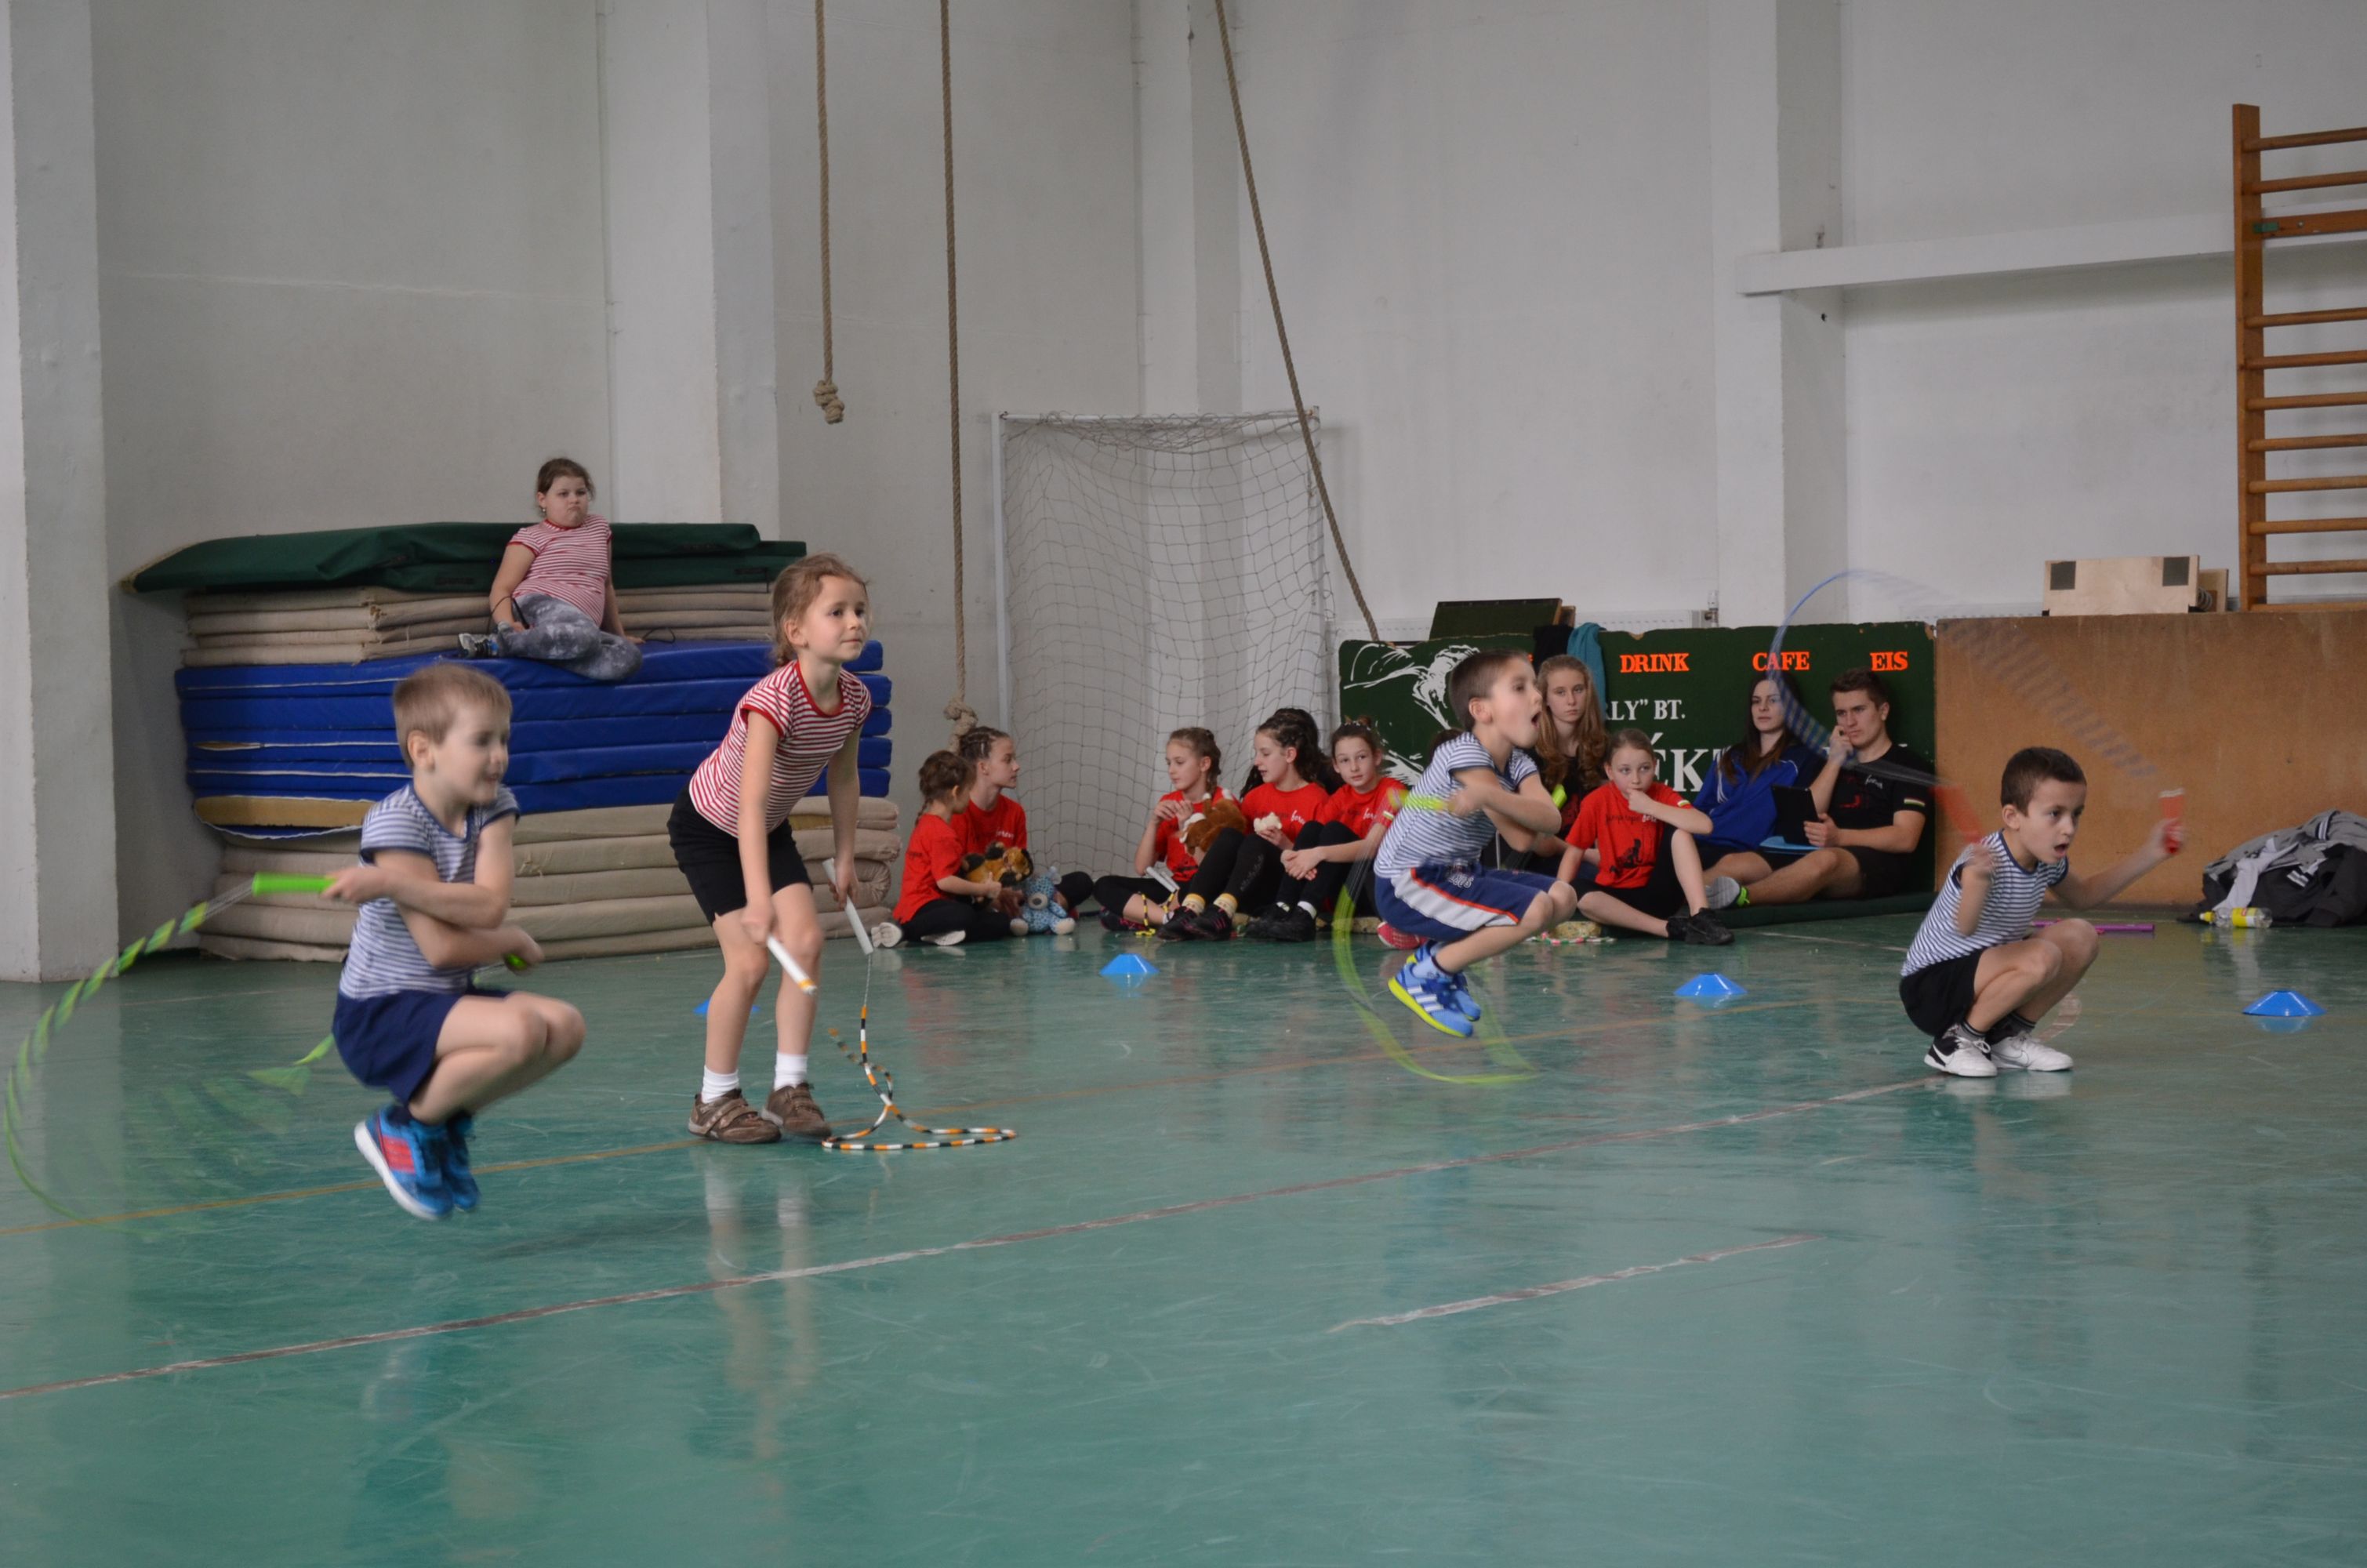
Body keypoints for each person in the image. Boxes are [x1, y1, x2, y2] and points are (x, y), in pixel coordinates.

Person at [328, 663, 586, 1219]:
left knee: (565, 1027)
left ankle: (444, 1120)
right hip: (379, 1016)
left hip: (441, 1002)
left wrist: (395, 886)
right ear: (424, 750)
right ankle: (405, 1127)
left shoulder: (493, 808)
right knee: (520, 1029)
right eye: (481, 741)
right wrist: (509, 939)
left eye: (504, 740)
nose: (499, 756)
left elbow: (489, 903)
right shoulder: (395, 824)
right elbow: (442, 950)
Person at [668, 553, 873, 1145]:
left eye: (860, 610)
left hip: (767, 827)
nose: (854, 622)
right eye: (837, 612)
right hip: (710, 828)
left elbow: (844, 778)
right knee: (751, 962)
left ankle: (789, 1088)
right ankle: (713, 1100)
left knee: (806, 943)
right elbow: (748, 803)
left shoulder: (855, 699)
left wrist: (846, 855)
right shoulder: (772, 700)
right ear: (796, 631)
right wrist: (758, 898)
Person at [1902, 746, 2177, 1076]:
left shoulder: (2046, 860)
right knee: (2041, 956)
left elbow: (2084, 896)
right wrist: (1977, 882)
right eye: (2055, 814)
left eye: (2076, 814)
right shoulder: (1983, 861)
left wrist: (2152, 853)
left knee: (2080, 936)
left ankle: (2005, 1039)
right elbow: (1965, 926)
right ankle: (1955, 1042)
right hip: (1931, 988)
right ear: (2013, 817)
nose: (2069, 828)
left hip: (1985, 977)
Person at [1370, 650, 1581, 1038]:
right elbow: (1523, 834)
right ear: (1482, 710)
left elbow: (1548, 821)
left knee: (1563, 897)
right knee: (1534, 909)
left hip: (1458, 872)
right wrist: (1499, 797)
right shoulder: (1462, 752)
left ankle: (1438, 958)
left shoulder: (1519, 763)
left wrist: (1487, 796)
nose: (1537, 695)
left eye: (1535, 686)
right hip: (1409, 881)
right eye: (1520, 687)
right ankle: (1425, 975)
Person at [1705, 669, 1931, 905]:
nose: (1850, 722)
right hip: (1816, 850)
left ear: (1883, 711)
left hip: (1874, 862)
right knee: (1735, 863)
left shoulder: (1908, 766)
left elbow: (1906, 838)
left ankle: (1740, 898)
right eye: (1841, 713)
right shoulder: (1830, 762)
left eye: (1859, 710)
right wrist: (1835, 760)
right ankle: (1684, 901)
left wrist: (1840, 837)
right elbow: (1810, 813)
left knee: (1825, 860)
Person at [456, 457, 642, 682]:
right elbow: (502, 587)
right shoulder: (531, 536)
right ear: (542, 500)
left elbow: (606, 585)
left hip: (580, 627)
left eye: (581, 493)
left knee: (628, 656)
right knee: (586, 635)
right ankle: (503, 642)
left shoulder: (599, 528)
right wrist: (506, 626)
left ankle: (510, 647)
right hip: (538, 603)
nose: (574, 500)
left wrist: (619, 635)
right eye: (563, 494)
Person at [1162, 711, 1334, 942]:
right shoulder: (1255, 797)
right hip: (1250, 888)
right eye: (1256, 753)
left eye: (1265, 754)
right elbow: (1235, 856)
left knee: (1255, 841)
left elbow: (1318, 865)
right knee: (1230, 835)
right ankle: (1191, 909)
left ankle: (1223, 911)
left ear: (1290, 755)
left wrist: (1285, 845)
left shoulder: (1317, 798)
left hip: (1287, 891)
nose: (1256, 762)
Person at [1559, 729, 1736, 944]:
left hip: (1660, 893)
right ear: (1610, 771)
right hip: (1617, 899)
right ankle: (1668, 929)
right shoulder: (1596, 801)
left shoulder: (1661, 794)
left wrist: (1651, 807)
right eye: (1625, 770)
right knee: (1576, 890)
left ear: (1655, 765)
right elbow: (1574, 853)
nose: (1635, 779)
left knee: (1680, 831)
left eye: (1644, 769)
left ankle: (1701, 916)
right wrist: (1556, 904)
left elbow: (1705, 825)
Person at [1244, 722, 1409, 942]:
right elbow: (1311, 845)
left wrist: (1318, 854)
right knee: (1313, 829)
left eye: (1361, 757)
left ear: (1377, 757)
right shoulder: (1340, 797)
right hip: (1345, 888)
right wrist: (1287, 851)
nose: (1354, 767)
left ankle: (1305, 913)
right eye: (1345, 760)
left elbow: (1371, 848)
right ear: (1336, 766)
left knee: (1334, 832)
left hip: (1379, 886)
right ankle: (1283, 907)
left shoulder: (1393, 791)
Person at [1090, 728, 1232, 931]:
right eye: (1169, 763)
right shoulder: (1169, 801)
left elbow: (1214, 870)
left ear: (1204, 764)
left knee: (1193, 889)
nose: (1171, 770)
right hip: (1174, 887)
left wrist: (1187, 828)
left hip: (1205, 888)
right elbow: (1142, 868)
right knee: (1104, 885)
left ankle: (1146, 916)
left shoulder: (1223, 804)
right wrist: (1154, 823)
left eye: (1179, 762)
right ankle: (1169, 918)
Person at [875, 751, 1020, 949]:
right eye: (968, 791)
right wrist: (983, 889)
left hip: (932, 906)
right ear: (956, 792)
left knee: (1000, 922)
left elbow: (942, 863)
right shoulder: (942, 833)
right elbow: (945, 881)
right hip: (924, 908)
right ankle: (904, 932)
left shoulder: (928, 823)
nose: (969, 797)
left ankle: (938, 934)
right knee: (963, 915)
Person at [1693, 676, 1824, 862]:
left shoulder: (1804, 759)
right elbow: (1700, 811)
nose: (1763, 708)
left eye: (1773, 700)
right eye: (1756, 701)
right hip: (1703, 844)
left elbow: (1803, 819)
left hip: (1751, 856)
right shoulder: (1728, 755)